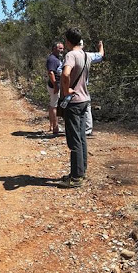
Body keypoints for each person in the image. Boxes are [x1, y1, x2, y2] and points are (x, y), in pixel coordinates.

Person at [56, 28, 91, 188]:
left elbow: (65, 74)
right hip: (85, 100)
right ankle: (80, 171)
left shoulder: (71, 55)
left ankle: (76, 177)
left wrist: (65, 90)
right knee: (82, 136)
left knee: (74, 138)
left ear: (69, 41)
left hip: (74, 102)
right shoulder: (85, 54)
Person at [82, 40, 104, 136]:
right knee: (86, 107)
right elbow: (100, 55)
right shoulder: (88, 56)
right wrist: (100, 46)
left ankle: (77, 128)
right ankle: (87, 129)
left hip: (72, 87)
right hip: (84, 87)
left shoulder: (69, 56)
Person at [46, 42, 64, 135]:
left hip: (54, 85)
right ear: (54, 48)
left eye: (62, 48)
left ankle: (52, 126)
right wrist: (56, 84)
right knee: (54, 106)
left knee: (52, 104)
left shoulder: (57, 58)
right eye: (60, 48)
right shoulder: (52, 59)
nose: (62, 50)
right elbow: (51, 73)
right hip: (54, 86)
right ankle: (55, 128)